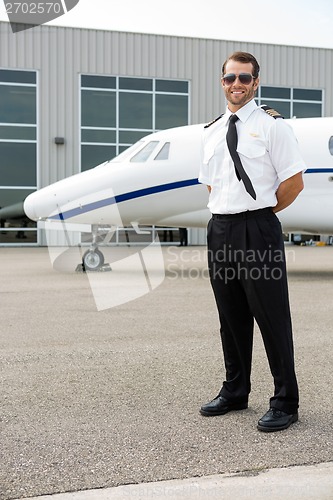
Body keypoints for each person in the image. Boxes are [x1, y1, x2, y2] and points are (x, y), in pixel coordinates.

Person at [198, 52, 306, 432]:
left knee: (272, 316)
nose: (237, 84)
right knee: (230, 316)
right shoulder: (211, 131)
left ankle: (285, 401)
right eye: (230, 78)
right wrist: (229, 217)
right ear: (222, 81)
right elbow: (212, 184)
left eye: (245, 78)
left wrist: (259, 215)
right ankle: (235, 390)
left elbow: (293, 183)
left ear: (256, 82)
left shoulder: (273, 127)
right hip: (220, 228)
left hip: (257, 228)